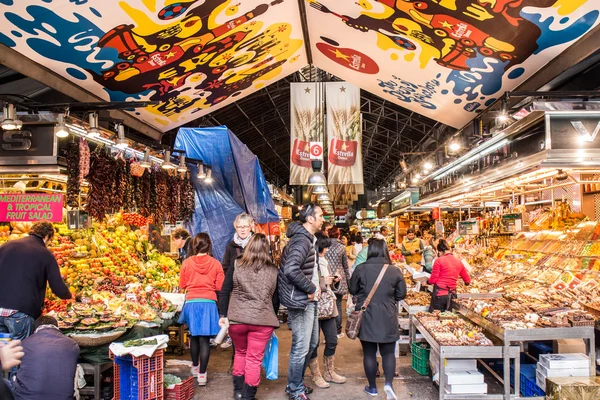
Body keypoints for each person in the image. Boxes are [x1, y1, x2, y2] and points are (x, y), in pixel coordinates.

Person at [218, 234, 279, 400]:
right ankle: (248, 396)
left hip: (237, 319)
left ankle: (238, 392)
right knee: (254, 359)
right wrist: (271, 318)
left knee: (240, 352)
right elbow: (275, 299)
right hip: (263, 320)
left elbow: (225, 291)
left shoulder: (237, 264)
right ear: (267, 249)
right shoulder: (273, 270)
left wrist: (223, 314)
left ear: (248, 246)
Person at [349, 239, 406, 400]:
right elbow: (401, 294)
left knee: (369, 353)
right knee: (388, 353)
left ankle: (372, 387)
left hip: (366, 314)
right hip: (388, 315)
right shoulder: (395, 270)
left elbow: (352, 289)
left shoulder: (360, 269)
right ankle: (388, 383)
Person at [278, 203, 324, 400]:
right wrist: (311, 288)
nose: (323, 219)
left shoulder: (308, 240)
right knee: (301, 346)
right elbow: (291, 270)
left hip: (308, 300)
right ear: (310, 219)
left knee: (312, 343)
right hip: (300, 299)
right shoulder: (301, 241)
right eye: (320, 216)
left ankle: (296, 383)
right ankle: (294, 388)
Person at [0, 222, 72, 341]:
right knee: (22, 350)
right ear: (47, 237)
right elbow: (57, 287)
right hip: (20, 312)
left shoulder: (6, 246)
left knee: (4, 352)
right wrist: (69, 296)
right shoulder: (45, 253)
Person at [178, 233, 225, 386]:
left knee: (194, 336)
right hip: (208, 302)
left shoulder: (186, 262)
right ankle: (202, 375)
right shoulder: (216, 264)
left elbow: (182, 285)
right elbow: (219, 286)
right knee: (205, 339)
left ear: (194, 245)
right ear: (209, 245)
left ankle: (195, 366)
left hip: (192, 302)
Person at [308, 233, 346, 390]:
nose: (328, 248)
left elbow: (327, 285)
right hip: (314, 305)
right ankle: (316, 374)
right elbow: (310, 283)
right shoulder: (310, 262)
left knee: (332, 339)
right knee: (313, 343)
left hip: (327, 306)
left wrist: (334, 280)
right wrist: (324, 282)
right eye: (326, 245)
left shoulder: (324, 261)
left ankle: (329, 372)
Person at [13, 316, 79, 400]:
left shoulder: (25, 343)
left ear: (35, 329)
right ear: (57, 327)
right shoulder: (72, 344)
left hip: (27, 397)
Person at [221, 213, 255, 350]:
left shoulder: (256, 243)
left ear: (251, 226)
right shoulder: (231, 246)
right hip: (236, 291)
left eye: (245, 226)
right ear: (235, 227)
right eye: (239, 227)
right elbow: (225, 266)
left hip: (253, 290)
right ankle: (238, 360)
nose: (242, 229)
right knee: (238, 329)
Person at [428, 239, 471, 312]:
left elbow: (433, 280)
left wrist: (427, 282)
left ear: (440, 252)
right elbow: (467, 280)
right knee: (449, 319)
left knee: (436, 318)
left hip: (440, 294)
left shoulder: (439, 261)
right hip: (452, 295)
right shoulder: (458, 261)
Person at [325, 227, 350, 339]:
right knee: (338, 305)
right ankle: (337, 331)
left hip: (326, 277)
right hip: (339, 278)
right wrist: (349, 282)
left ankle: (328, 334)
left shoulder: (324, 246)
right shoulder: (341, 247)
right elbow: (345, 266)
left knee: (328, 305)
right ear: (338, 235)